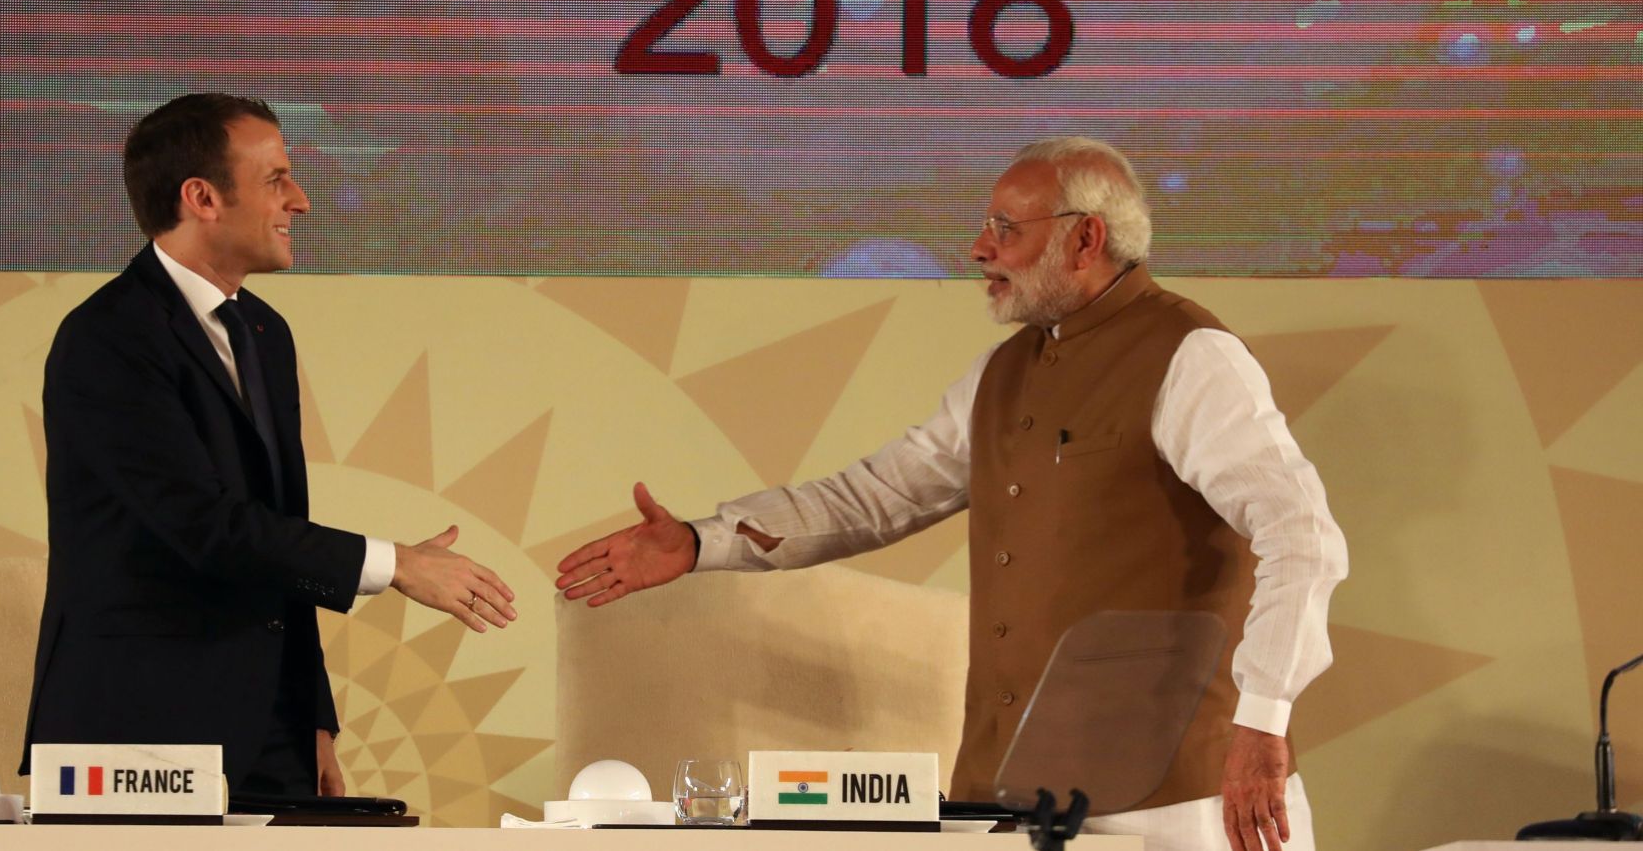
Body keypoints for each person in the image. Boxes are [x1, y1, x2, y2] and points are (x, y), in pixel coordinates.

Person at [555, 137, 1348, 851]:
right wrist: (701, 540)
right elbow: (871, 498)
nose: (980, 248)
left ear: (1085, 238)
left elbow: (1302, 535)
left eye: (1008, 228)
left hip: (1182, 802)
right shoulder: (1000, 377)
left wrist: (1263, 722)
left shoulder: (1191, 356)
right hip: (1016, 801)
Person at [19, 93, 517, 796]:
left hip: (269, 733)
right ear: (202, 198)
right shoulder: (108, 338)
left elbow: (277, 528)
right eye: (276, 179)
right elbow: (207, 527)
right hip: (138, 734)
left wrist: (311, 713)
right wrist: (395, 564)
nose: (301, 200)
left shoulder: (263, 331)